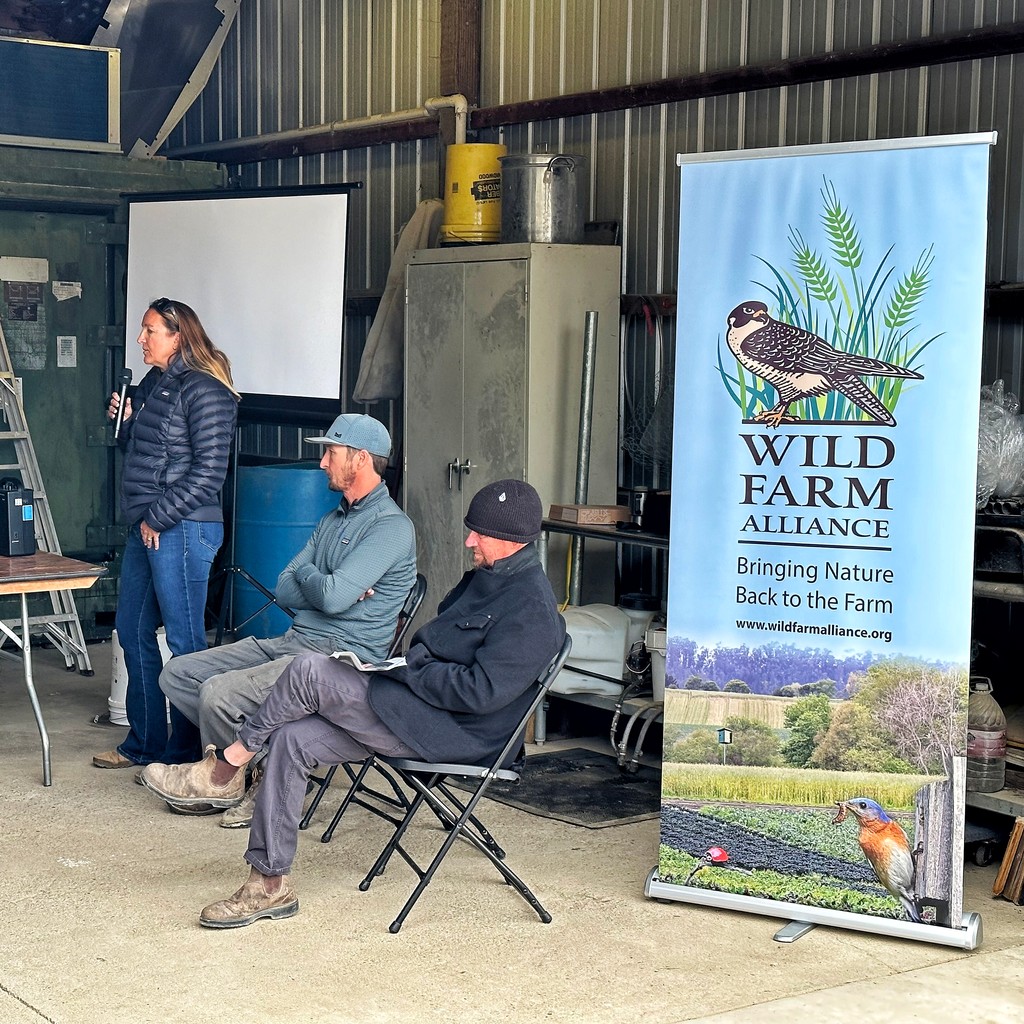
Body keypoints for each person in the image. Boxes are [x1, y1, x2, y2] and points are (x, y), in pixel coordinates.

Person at [139, 479, 566, 928]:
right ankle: (268, 883)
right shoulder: (486, 579)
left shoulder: (531, 609)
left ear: (512, 540)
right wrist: (402, 668)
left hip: (449, 734)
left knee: (308, 670)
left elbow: (479, 693)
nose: (468, 541)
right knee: (291, 737)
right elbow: (434, 648)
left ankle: (226, 768)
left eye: (478, 533)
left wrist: (407, 670)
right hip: (412, 707)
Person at [151, 412, 417, 821]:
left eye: (331, 451)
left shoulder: (391, 527)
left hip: (335, 660)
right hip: (293, 641)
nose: (323, 462)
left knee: (219, 694)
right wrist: (327, 583)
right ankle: (249, 771)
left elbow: (330, 598)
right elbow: (285, 587)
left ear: (361, 458)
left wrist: (325, 587)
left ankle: (244, 782)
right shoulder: (332, 520)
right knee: (178, 674)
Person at [93, 298, 239, 771]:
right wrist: (126, 422)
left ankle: (186, 754)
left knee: (185, 641)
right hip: (148, 524)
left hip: (183, 526)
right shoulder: (156, 383)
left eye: (150, 331)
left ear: (179, 336)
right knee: (131, 629)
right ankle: (145, 744)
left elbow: (209, 472)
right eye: (143, 330)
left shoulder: (207, 391)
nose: (141, 340)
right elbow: (146, 451)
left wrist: (159, 516)